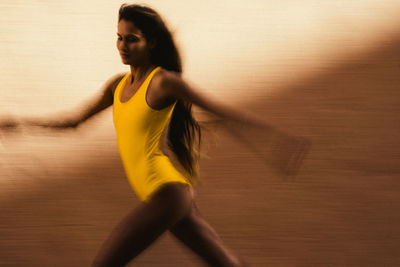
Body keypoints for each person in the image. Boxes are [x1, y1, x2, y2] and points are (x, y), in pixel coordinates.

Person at [0, 4, 310, 266]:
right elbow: (73, 122)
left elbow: (220, 110)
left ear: (152, 42)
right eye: (119, 38)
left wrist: (276, 141)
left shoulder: (163, 82)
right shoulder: (116, 86)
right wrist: (20, 123)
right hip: (167, 195)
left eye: (132, 39)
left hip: (167, 193)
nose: (122, 45)